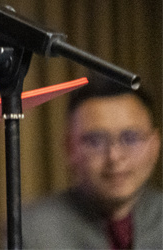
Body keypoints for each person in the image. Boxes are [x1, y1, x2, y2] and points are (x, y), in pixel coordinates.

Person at [21, 76, 161, 249]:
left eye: (130, 138)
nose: (114, 157)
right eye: (95, 141)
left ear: (154, 145)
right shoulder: (32, 231)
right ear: (69, 148)